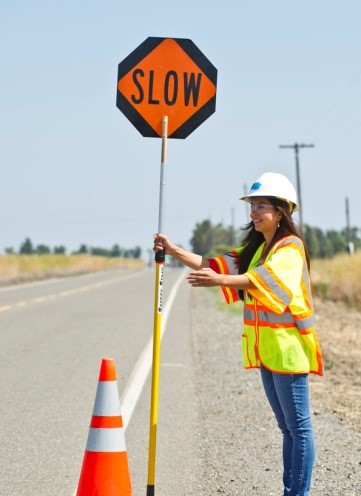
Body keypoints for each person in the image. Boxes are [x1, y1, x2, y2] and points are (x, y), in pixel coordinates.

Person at [153, 172, 323, 496]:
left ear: (282, 210)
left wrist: (219, 282)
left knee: (299, 428)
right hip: (268, 353)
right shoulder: (258, 248)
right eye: (252, 206)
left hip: (289, 352)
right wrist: (173, 250)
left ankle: (297, 493)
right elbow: (213, 264)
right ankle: (291, 490)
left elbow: (260, 280)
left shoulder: (290, 248)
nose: (254, 213)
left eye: (261, 206)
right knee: (287, 428)